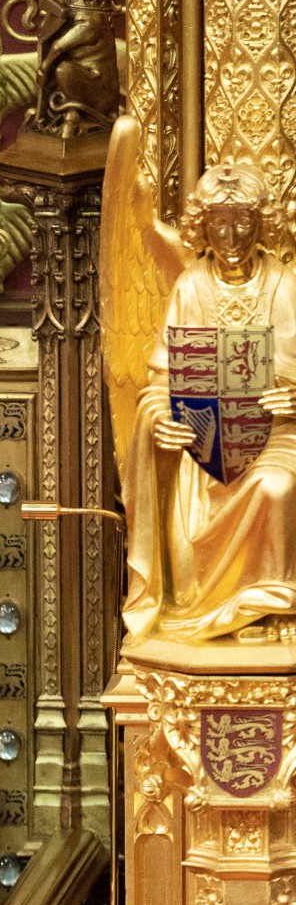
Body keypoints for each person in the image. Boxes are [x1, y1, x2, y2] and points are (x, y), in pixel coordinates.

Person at [122, 162, 296, 641]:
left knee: (276, 487)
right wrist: (161, 420)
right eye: (219, 221)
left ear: (262, 223)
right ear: (203, 226)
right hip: (208, 442)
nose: (232, 235)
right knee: (194, 498)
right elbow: (161, 383)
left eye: (243, 220)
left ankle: (273, 606)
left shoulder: (285, 285)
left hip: (280, 436)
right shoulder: (191, 286)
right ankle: (215, 607)